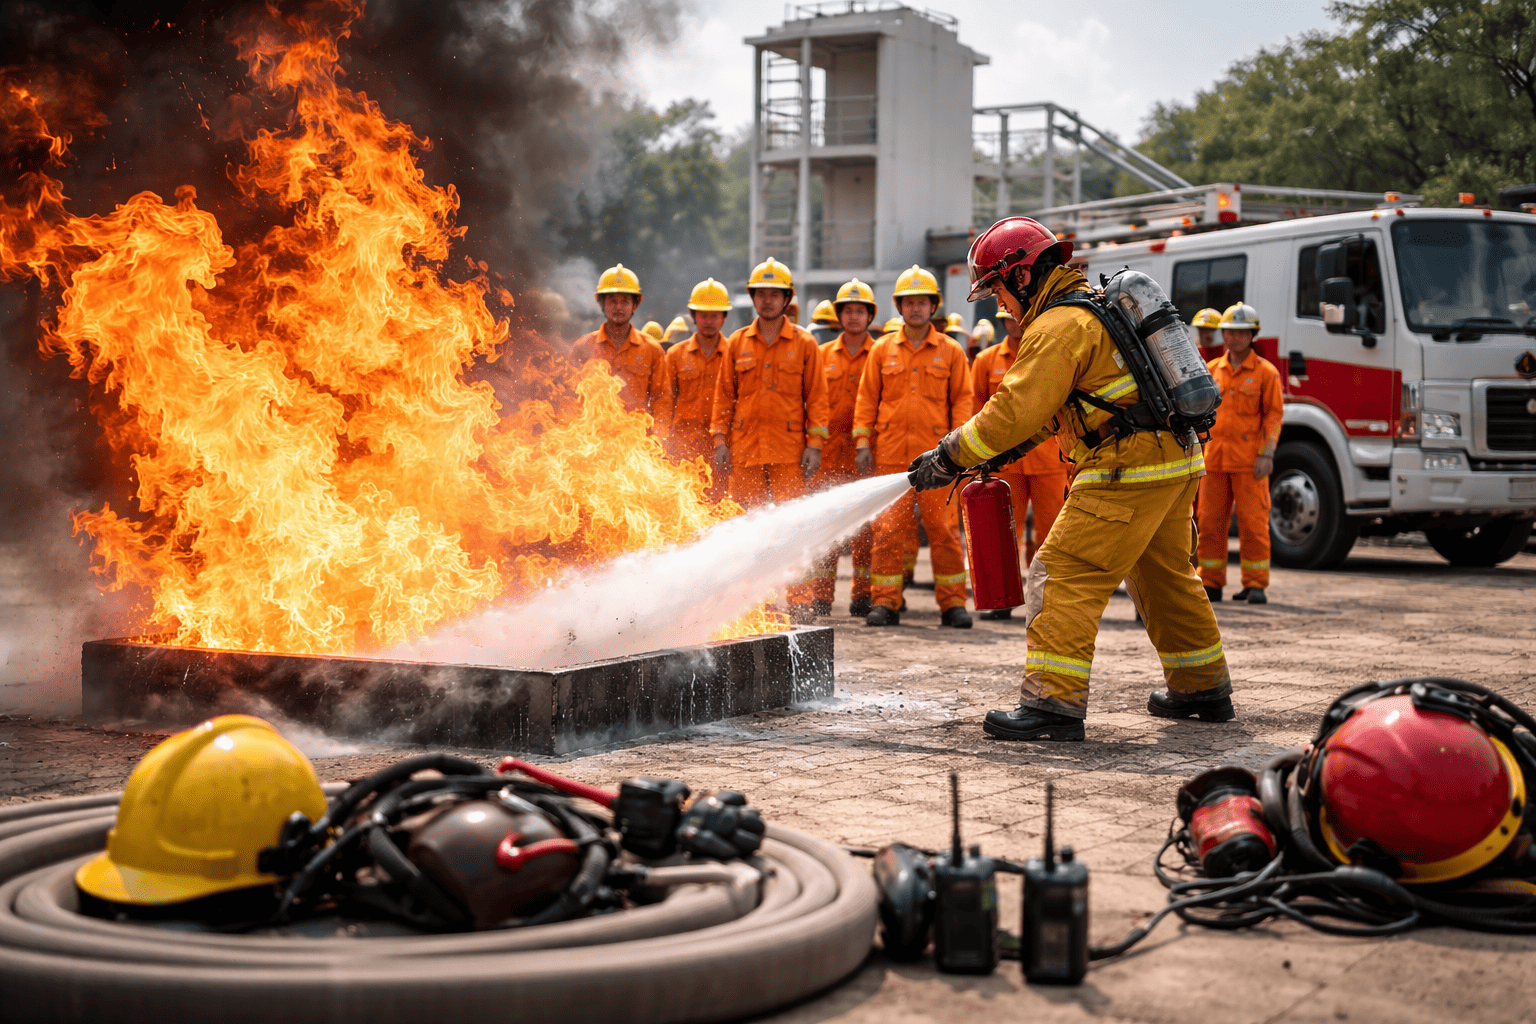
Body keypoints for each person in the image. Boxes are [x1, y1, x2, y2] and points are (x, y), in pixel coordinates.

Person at [907, 217, 1233, 741]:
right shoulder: (1091, 312)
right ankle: (1202, 687)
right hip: (1174, 458)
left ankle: (1053, 707)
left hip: (1127, 467)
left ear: (1020, 277)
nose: (999, 306)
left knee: (1060, 573)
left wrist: (949, 454)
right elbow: (1067, 409)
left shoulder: (1058, 327)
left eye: (997, 290)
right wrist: (1001, 452)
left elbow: (1012, 410)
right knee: (1164, 576)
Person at [853, 265, 974, 629]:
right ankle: (885, 602)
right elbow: (866, 399)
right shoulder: (881, 351)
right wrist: (862, 443)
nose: (916, 308)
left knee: (945, 531)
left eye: (923, 302)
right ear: (899, 307)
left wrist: (959, 452)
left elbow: (963, 404)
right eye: (909, 302)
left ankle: (953, 603)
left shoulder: (951, 351)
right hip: (891, 457)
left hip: (939, 461)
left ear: (933, 306)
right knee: (888, 531)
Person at [711, 258, 829, 622]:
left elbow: (818, 398)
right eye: (761, 294)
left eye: (774, 294)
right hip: (746, 452)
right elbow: (723, 396)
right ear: (753, 297)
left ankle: (800, 598)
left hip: (789, 453)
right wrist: (719, 439)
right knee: (750, 529)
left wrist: (814, 444)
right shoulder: (736, 344)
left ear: (786, 298)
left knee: (794, 529)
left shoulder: (805, 343)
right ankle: (753, 601)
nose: (767, 300)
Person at [968, 303, 1070, 619]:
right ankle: (1002, 599)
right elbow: (976, 410)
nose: (1015, 323)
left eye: (1018, 317)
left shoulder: (1048, 354)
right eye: (1008, 319)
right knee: (1002, 534)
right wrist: (978, 455)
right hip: (1005, 463)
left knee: (1051, 533)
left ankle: (1049, 602)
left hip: (1048, 458)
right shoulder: (986, 361)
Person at [1196, 303, 1282, 604]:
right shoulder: (1211, 371)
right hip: (1214, 460)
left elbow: (1273, 416)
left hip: (1249, 462)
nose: (1233, 339)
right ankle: (1211, 582)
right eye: (1229, 333)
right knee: (1209, 523)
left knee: (1253, 523)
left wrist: (1267, 453)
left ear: (1252, 335)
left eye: (1240, 333)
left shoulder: (1266, 374)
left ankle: (1255, 583)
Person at [808, 279, 879, 617]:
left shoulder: (879, 355)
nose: (853, 316)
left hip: (864, 454)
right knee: (826, 525)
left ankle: (862, 594)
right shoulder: (821, 356)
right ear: (839, 315)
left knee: (865, 529)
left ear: (869, 316)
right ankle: (820, 595)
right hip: (828, 454)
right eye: (848, 310)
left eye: (859, 311)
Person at [570, 264, 670, 423]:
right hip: (592, 441)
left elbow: (662, 400)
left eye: (624, 301)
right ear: (601, 303)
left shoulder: (652, 350)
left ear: (635, 304)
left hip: (636, 440)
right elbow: (570, 398)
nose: (618, 307)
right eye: (612, 300)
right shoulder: (583, 348)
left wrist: (659, 438)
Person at [664, 279, 734, 500]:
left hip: (722, 452)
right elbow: (666, 402)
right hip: (684, 452)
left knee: (723, 511)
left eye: (714, 315)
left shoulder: (736, 354)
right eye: (703, 315)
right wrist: (664, 442)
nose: (709, 321)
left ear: (724, 317)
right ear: (693, 316)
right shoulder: (675, 355)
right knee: (685, 511)